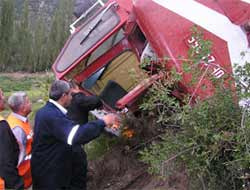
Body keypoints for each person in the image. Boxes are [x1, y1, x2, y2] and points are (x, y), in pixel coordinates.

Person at [31, 80, 118, 190]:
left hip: (50, 171)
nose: (72, 98)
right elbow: (75, 136)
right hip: (51, 176)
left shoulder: (45, 111)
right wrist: (103, 122)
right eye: (71, 95)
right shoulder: (52, 115)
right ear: (64, 96)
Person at [67, 81, 103, 189]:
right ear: (75, 88)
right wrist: (79, 92)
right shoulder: (77, 98)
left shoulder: (63, 102)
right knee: (78, 168)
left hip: (68, 140)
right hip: (75, 140)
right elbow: (95, 101)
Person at [7, 92, 33, 188]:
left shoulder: (21, 121)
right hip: (22, 181)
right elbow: (14, 159)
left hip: (27, 178)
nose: (30, 103)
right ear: (22, 107)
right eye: (28, 102)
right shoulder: (17, 129)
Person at [0, 89, 24, 190]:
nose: (4, 98)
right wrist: (17, 185)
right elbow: (5, 162)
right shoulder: (1, 126)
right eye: (1, 95)